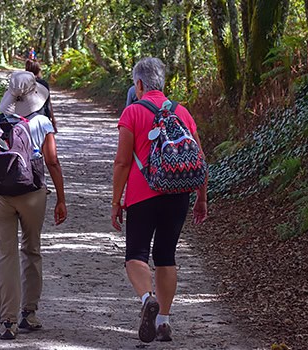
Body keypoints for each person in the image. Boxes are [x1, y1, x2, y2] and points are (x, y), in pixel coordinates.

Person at [111, 57, 208, 343]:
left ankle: (146, 299)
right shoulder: (182, 112)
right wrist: (201, 196)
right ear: (162, 82)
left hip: (143, 195)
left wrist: (116, 201)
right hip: (178, 194)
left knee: (136, 255)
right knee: (166, 256)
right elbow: (200, 159)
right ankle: (164, 321)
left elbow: (122, 162)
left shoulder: (132, 113)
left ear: (139, 84)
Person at [0, 70, 67, 340]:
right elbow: (52, 162)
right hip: (32, 194)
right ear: (35, 95)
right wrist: (61, 198)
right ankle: (29, 313)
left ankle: (8, 321)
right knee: (31, 249)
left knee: (5, 256)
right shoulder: (42, 123)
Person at [25, 59, 57, 132]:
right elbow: (48, 103)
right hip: (42, 118)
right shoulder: (43, 84)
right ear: (38, 70)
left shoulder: (23, 83)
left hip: (25, 119)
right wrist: (53, 121)